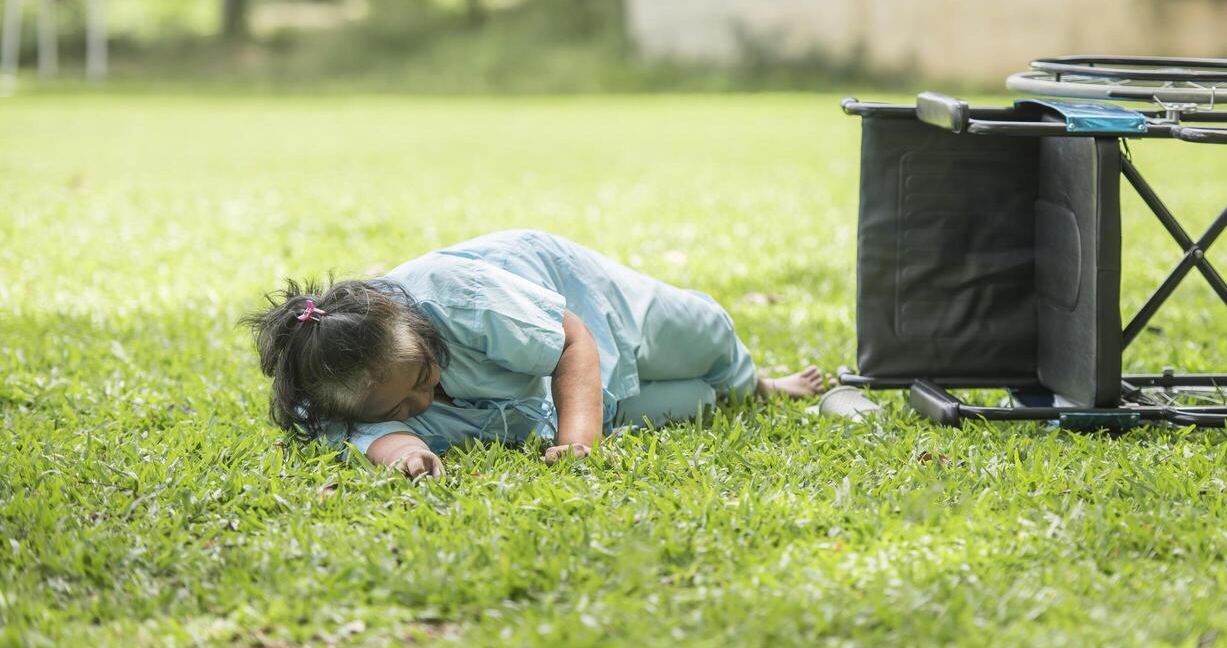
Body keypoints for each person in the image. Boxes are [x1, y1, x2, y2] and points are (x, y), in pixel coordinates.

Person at [244, 230, 824, 478]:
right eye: (399, 407)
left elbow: (573, 339)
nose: (425, 398)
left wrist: (578, 443)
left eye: (422, 374)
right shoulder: (325, 398)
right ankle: (721, 393)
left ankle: (761, 384)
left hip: (591, 307)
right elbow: (368, 439)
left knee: (706, 339)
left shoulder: (460, 295)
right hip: (553, 394)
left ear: (416, 330)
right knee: (699, 399)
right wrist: (405, 453)